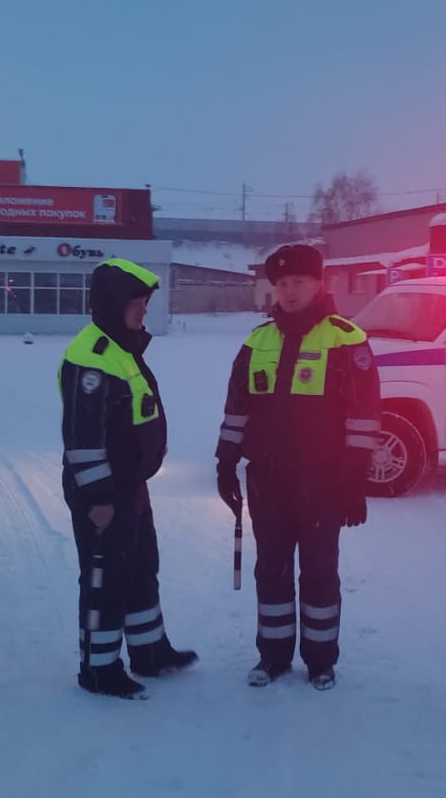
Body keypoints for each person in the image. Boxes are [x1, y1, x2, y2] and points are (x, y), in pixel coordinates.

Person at [215, 244, 380, 690]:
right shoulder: (257, 340)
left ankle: (321, 659)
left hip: (322, 481)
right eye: (282, 283)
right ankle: (272, 656)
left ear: (318, 284)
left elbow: (363, 418)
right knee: (270, 569)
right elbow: (237, 409)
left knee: (319, 570)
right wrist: (226, 462)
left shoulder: (346, 339)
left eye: (298, 282)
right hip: (268, 479)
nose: (289, 291)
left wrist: (354, 481)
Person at [59, 259, 196, 700]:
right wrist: (98, 496)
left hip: (130, 485)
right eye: (136, 303)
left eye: (145, 303)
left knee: (140, 570)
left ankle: (149, 651)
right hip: (103, 491)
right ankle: (99, 670)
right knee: (106, 579)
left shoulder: (122, 347)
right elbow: (82, 437)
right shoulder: (92, 356)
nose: (142, 311)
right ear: (111, 303)